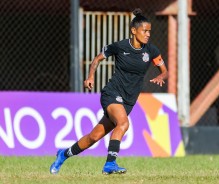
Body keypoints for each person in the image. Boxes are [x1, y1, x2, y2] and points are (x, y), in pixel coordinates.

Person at [49, 8, 168, 175]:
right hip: (112, 94)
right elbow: (97, 59)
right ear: (134, 30)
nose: (148, 34)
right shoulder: (119, 47)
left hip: (128, 100)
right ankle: (110, 164)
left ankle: (63, 154)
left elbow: (164, 70)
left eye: (149, 31)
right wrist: (90, 77)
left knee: (94, 137)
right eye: (145, 31)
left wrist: (162, 76)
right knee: (123, 123)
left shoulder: (151, 50)